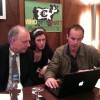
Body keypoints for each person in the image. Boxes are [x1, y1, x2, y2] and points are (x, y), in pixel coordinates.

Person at [44, 24, 100, 89]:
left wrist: (90, 71)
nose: (75, 42)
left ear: (82, 38)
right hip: (65, 86)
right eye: (72, 38)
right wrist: (49, 78)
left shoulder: (90, 50)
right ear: (67, 37)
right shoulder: (60, 51)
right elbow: (51, 69)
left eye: (79, 39)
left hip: (85, 85)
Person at [0, 25, 38, 91]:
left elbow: (31, 77)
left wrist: (24, 91)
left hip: (23, 91)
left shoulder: (29, 54)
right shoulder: (1, 52)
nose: (28, 45)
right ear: (13, 41)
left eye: (28, 41)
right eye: (24, 42)